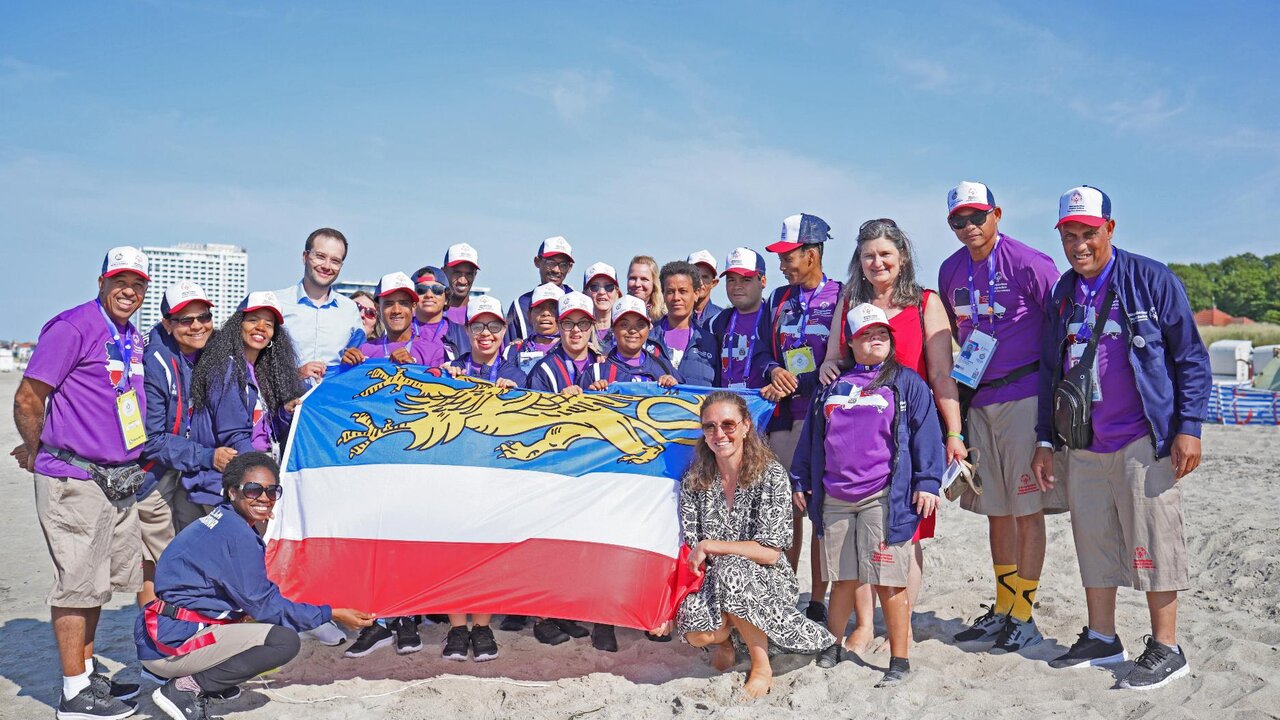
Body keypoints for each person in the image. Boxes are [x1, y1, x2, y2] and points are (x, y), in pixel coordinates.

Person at [1032, 186, 1210, 690]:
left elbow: (1190, 357)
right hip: (1083, 442)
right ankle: (1103, 637)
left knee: (1155, 541)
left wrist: (1189, 427)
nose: (1079, 244)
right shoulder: (1063, 292)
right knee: (1093, 542)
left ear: (1109, 228)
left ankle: (1168, 647)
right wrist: (1044, 439)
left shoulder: (1151, 278)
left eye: (1089, 233)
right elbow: (1050, 370)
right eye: (1070, 235)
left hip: (1143, 438)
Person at [12, 246, 150, 720]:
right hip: (76, 477)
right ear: (101, 281)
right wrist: (38, 451)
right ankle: (74, 694)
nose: (128, 291)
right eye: (120, 281)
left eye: (137, 284)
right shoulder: (73, 326)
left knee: (96, 584)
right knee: (75, 584)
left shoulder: (130, 335)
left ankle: (87, 676)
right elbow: (29, 397)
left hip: (117, 480)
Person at [817, 218, 966, 651]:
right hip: (857, 437)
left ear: (902, 257)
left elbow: (941, 374)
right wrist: (829, 367)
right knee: (858, 534)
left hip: (909, 435)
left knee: (906, 532)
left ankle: (904, 626)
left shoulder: (925, 303)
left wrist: (954, 432)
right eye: (868, 255)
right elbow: (833, 358)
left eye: (885, 254)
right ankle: (865, 624)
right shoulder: (849, 301)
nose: (877, 262)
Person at [137, 452, 375, 720]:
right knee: (283, 642)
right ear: (232, 491)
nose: (264, 498)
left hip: (159, 635)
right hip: (170, 647)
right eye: (253, 490)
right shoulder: (236, 535)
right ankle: (186, 688)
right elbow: (267, 607)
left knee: (254, 621)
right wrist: (332, 613)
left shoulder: (222, 520)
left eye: (272, 491)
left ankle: (210, 681)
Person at [933, 182, 1062, 651]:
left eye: (977, 217)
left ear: (997, 214)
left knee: (1027, 510)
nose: (969, 227)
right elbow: (956, 333)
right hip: (979, 398)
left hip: (1025, 394)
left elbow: (1061, 324)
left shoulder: (1029, 262)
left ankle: (1024, 614)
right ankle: (1005, 608)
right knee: (996, 511)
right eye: (958, 220)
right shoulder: (950, 270)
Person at [793, 303, 944, 686]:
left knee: (888, 580)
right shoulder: (831, 385)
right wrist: (800, 478)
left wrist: (928, 482)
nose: (874, 340)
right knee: (842, 578)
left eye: (881, 334)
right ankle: (833, 645)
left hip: (883, 497)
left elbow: (928, 434)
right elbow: (812, 437)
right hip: (835, 497)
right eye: (866, 335)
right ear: (850, 342)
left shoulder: (906, 382)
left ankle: (899, 659)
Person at [665, 391, 835, 699]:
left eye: (728, 424)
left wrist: (714, 546)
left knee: (733, 569)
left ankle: (761, 665)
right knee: (697, 632)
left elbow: (770, 553)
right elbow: (692, 546)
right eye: (710, 426)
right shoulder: (695, 479)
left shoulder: (771, 475)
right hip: (713, 580)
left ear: (746, 426)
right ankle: (727, 640)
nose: (719, 434)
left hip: (766, 579)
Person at [751, 213, 843, 623]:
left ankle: (818, 599)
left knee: (821, 510)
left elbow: (847, 359)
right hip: (786, 421)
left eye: (788, 256)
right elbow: (760, 353)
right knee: (788, 510)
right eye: (780, 256)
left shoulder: (842, 295)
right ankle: (786, 593)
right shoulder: (777, 299)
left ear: (812, 253)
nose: (782, 264)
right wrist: (773, 371)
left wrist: (799, 383)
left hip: (825, 419)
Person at [138, 282, 234, 608]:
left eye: (203, 317)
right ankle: (156, 631)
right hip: (153, 474)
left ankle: (183, 622)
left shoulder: (208, 350)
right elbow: (150, 440)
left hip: (184, 468)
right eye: (185, 319)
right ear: (167, 323)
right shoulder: (155, 362)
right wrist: (208, 456)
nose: (196, 326)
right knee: (160, 561)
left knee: (190, 552)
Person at [179, 292, 304, 530]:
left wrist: (284, 414)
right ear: (238, 325)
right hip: (231, 484)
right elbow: (235, 435)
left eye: (269, 324)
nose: (261, 328)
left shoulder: (262, 370)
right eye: (253, 320)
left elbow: (264, 432)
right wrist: (264, 487)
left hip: (250, 476)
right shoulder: (226, 367)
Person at [273, 228, 365, 382]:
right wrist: (296, 375)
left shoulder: (350, 310)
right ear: (305, 257)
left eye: (335, 261)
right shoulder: (277, 303)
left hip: (332, 397)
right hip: (284, 396)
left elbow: (359, 363)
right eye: (320, 257)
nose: (327, 266)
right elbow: (256, 362)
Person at [341, 272, 439, 368]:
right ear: (378, 308)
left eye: (403, 303)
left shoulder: (433, 352)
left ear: (413, 306)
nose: (396, 310)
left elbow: (439, 379)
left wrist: (413, 369)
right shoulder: (365, 350)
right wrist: (345, 367)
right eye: (389, 304)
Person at [585, 295, 680, 390]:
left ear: (648, 328)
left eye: (640, 324)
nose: (633, 330)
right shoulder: (596, 373)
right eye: (624, 325)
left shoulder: (663, 367)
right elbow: (578, 396)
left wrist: (674, 385)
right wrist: (592, 391)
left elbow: (685, 393)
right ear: (613, 328)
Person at [524, 292, 606, 396]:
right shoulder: (543, 371)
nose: (576, 329)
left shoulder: (604, 366)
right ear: (558, 325)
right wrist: (559, 399)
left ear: (592, 326)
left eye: (583, 323)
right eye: (568, 323)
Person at [708, 248, 767, 389]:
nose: (737, 286)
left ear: (763, 281)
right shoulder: (714, 323)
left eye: (746, 280)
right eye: (731, 280)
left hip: (765, 401)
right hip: (726, 401)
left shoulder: (775, 318)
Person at [654, 261, 717, 387]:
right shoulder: (648, 338)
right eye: (670, 291)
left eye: (683, 291)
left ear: (696, 294)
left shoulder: (710, 342)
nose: (676, 297)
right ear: (663, 295)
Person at [444, 295, 523, 389]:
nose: (485, 333)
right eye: (477, 327)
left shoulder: (517, 377)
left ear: (504, 330)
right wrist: (442, 377)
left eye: (494, 326)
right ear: (467, 330)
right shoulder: (451, 370)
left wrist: (515, 393)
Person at [505, 236, 575, 341]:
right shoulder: (520, 305)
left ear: (570, 268)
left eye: (563, 265)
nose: (556, 270)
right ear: (537, 261)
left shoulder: (577, 301)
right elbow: (508, 345)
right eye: (550, 263)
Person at [497, 283, 564, 391]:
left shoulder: (572, 352)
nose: (546, 313)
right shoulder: (512, 351)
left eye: (553, 308)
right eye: (539, 308)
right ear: (529, 315)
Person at [410, 266, 470, 364]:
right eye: (421, 290)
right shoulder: (400, 331)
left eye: (437, 290)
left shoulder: (462, 334)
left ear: (446, 298)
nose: (429, 295)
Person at [583, 262, 622, 345]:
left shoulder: (626, 330)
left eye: (609, 287)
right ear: (584, 294)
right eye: (594, 287)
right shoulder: (577, 331)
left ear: (617, 293)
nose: (601, 292)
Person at [443, 242, 481, 325]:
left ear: (475, 275)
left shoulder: (481, 315)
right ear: (443, 272)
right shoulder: (430, 314)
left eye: (469, 274)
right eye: (457, 273)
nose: (462, 281)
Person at [687, 250, 725, 328]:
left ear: (713, 283)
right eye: (695, 275)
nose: (700, 282)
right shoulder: (673, 317)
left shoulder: (723, 318)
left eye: (705, 277)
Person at [626, 255, 666, 322]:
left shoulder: (664, 317)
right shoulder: (617, 312)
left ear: (654, 282)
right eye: (633, 278)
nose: (637, 284)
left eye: (644, 279)